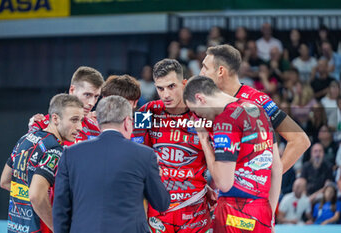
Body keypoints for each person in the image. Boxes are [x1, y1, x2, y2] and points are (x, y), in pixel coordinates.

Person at [53, 96, 170, 233]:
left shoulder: (70, 154)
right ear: (127, 122)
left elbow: (60, 209)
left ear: (99, 123)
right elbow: (162, 203)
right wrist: (158, 177)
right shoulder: (145, 155)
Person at [183, 75, 282, 232]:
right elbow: (276, 168)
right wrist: (270, 216)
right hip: (262, 212)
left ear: (200, 98)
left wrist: (204, 141)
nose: (199, 117)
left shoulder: (226, 120)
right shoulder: (258, 109)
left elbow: (224, 183)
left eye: (196, 111)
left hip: (234, 212)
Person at [200, 44, 310, 174]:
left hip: (251, 191)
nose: (201, 73)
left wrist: (273, 178)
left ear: (220, 71)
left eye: (205, 68)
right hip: (221, 189)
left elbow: (300, 140)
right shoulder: (205, 102)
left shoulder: (256, 100)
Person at [132, 59, 213, 232]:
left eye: (171, 86)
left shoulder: (202, 113)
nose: (166, 94)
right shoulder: (146, 112)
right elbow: (136, 158)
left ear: (184, 83)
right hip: (160, 211)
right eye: (160, 88)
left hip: (196, 210)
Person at [0, 94, 84, 233]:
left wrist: (30, 198)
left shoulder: (25, 139)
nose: (80, 127)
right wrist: (59, 229)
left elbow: (4, 181)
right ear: (55, 118)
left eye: (81, 120)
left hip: (14, 228)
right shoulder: (55, 150)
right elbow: (36, 196)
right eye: (74, 120)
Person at [29, 66, 104, 145]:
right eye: (87, 95)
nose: (92, 103)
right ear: (72, 90)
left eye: (96, 97)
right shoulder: (41, 125)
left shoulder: (95, 129)